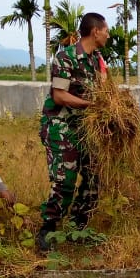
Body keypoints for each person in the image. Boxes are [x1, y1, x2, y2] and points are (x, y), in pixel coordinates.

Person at [37, 12, 109, 251]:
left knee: (94, 177)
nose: (108, 35)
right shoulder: (65, 57)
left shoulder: (96, 60)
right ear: (95, 31)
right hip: (61, 127)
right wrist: (93, 106)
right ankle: (48, 228)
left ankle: (79, 228)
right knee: (64, 180)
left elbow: (104, 90)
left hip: (85, 128)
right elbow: (59, 96)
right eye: (106, 30)